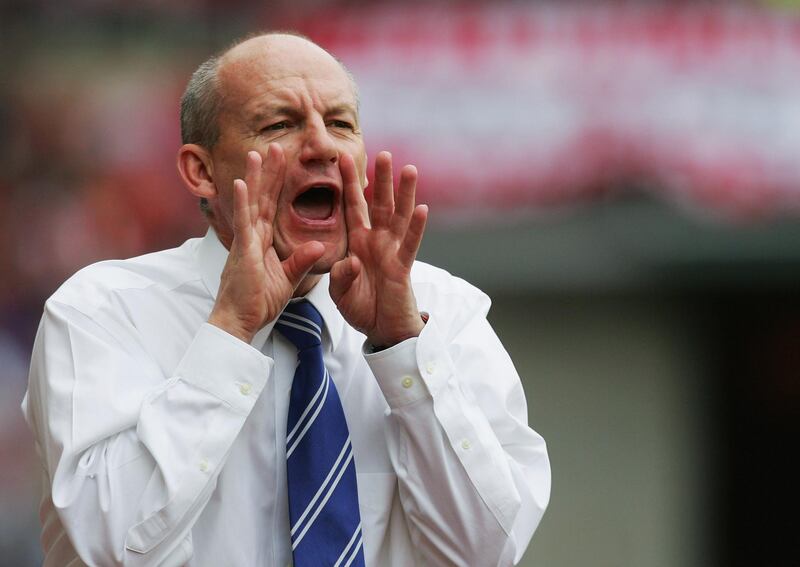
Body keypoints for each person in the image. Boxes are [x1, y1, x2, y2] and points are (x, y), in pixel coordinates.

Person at [23, 32, 550, 566]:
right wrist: (230, 331)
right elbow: (113, 548)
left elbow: (486, 553)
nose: (321, 145)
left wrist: (404, 348)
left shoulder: (445, 314)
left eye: (341, 124)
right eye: (279, 124)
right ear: (201, 171)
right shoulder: (101, 312)